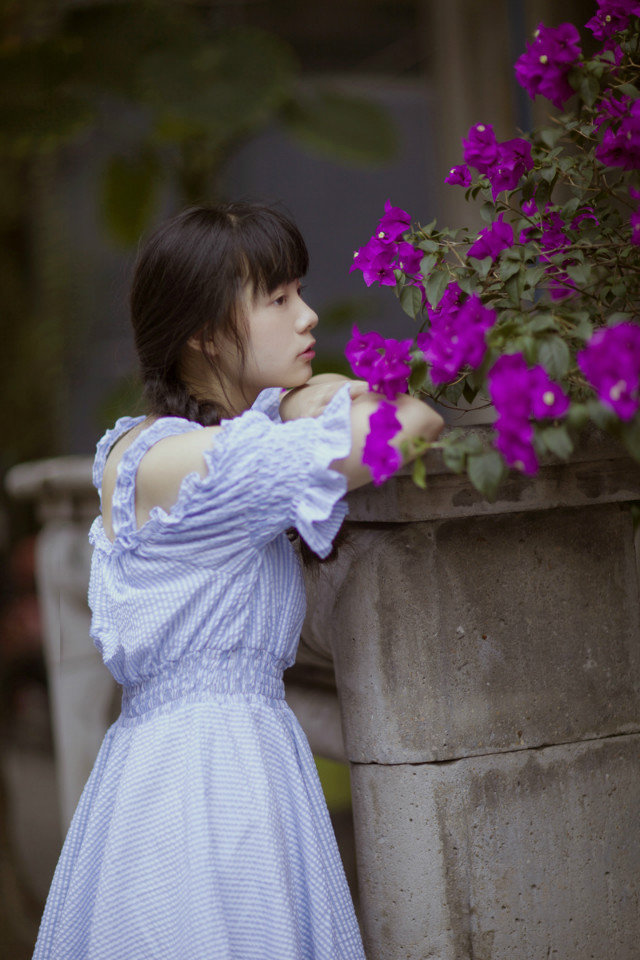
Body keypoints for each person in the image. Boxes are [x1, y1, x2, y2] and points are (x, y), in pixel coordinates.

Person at [33, 202, 444, 960]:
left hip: (216, 762)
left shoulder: (175, 449)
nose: (308, 315)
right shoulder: (183, 465)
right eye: (278, 298)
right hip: (205, 787)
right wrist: (309, 397)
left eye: (300, 292)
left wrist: (291, 399)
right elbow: (405, 423)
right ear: (202, 330)